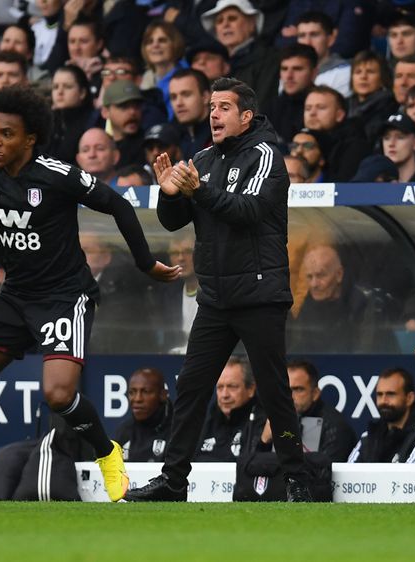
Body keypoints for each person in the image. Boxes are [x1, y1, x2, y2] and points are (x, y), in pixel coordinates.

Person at [0, 85, 179, 509]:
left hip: (64, 296)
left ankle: (107, 452)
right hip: (16, 296)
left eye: (5, 134)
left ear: (30, 138)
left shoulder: (58, 174)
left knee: (58, 395)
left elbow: (120, 206)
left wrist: (146, 264)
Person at [125, 77, 311, 503]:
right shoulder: (204, 159)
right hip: (215, 297)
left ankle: (297, 480)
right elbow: (174, 220)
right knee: (190, 386)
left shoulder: (265, 156)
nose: (213, 114)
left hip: (260, 293)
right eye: (211, 106)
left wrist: (198, 190)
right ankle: (174, 481)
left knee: (272, 389)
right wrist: (169, 193)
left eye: (224, 107)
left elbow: (246, 211)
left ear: (246, 116)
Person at [348, 367, 415, 463]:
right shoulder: (370, 435)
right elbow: (348, 473)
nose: (384, 401)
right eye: (379, 394)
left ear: (409, 398)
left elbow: (409, 476)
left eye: (390, 394)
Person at [281, 359, 356, 462]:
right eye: (286, 390)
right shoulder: (276, 419)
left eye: (298, 389)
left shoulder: (335, 426)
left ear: (315, 393)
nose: (290, 396)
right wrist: (265, 442)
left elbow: (324, 472)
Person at [193, 356, 257, 462]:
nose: (224, 395)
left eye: (232, 386)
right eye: (220, 387)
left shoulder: (263, 422)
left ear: (251, 389)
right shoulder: (204, 422)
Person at [114, 367, 173, 462]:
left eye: (145, 392)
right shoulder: (124, 432)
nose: (137, 399)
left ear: (163, 395)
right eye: (132, 392)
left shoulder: (179, 429)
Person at [168, 68, 212, 160]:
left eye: (186, 94)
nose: (178, 103)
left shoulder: (222, 133)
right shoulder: (171, 138)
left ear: (205, 97)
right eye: (173, 97)